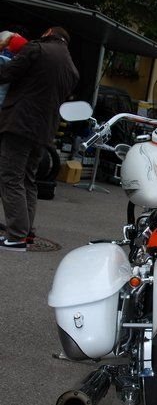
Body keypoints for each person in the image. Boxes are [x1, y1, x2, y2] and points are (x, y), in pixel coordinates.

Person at [0, 26, 79, 252]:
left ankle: (16, 236)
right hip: (44, 131)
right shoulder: (71, 68)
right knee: (28, 180)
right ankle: (26, 233)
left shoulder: (37, 49)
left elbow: (5, 74)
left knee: (11, 177)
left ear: (48, 33)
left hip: (19, 123)